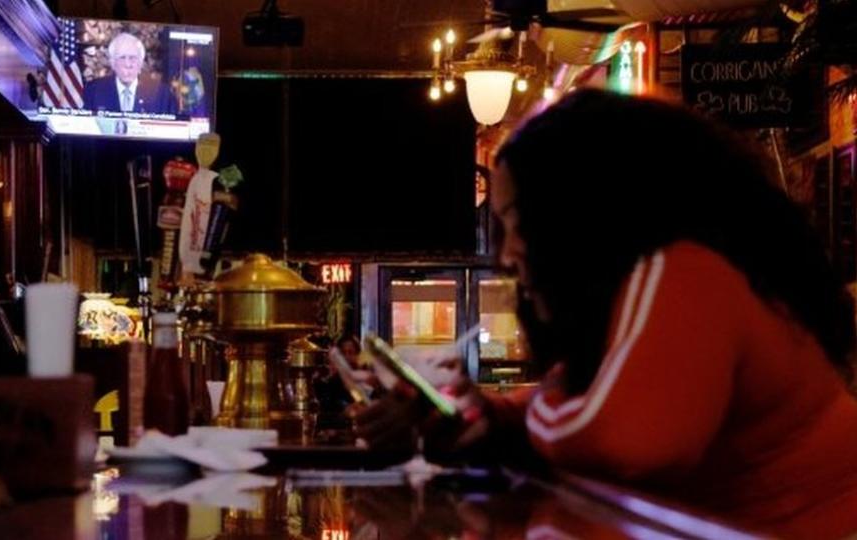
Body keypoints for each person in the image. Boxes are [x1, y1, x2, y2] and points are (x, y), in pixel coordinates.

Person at [354, 89, 857, 539]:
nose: (508, 255)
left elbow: (631, 442)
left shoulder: (685, 273)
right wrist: (476, 414)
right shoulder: (656, 283)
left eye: (517, 222)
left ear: (579, 211)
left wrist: (515, 419)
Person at [83, 32, 176, 115]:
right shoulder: (93, 91)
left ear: (141, 63)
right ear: (112, 63)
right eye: (122, 57)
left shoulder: (161, 93)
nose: (128, 64)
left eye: (133, 58)